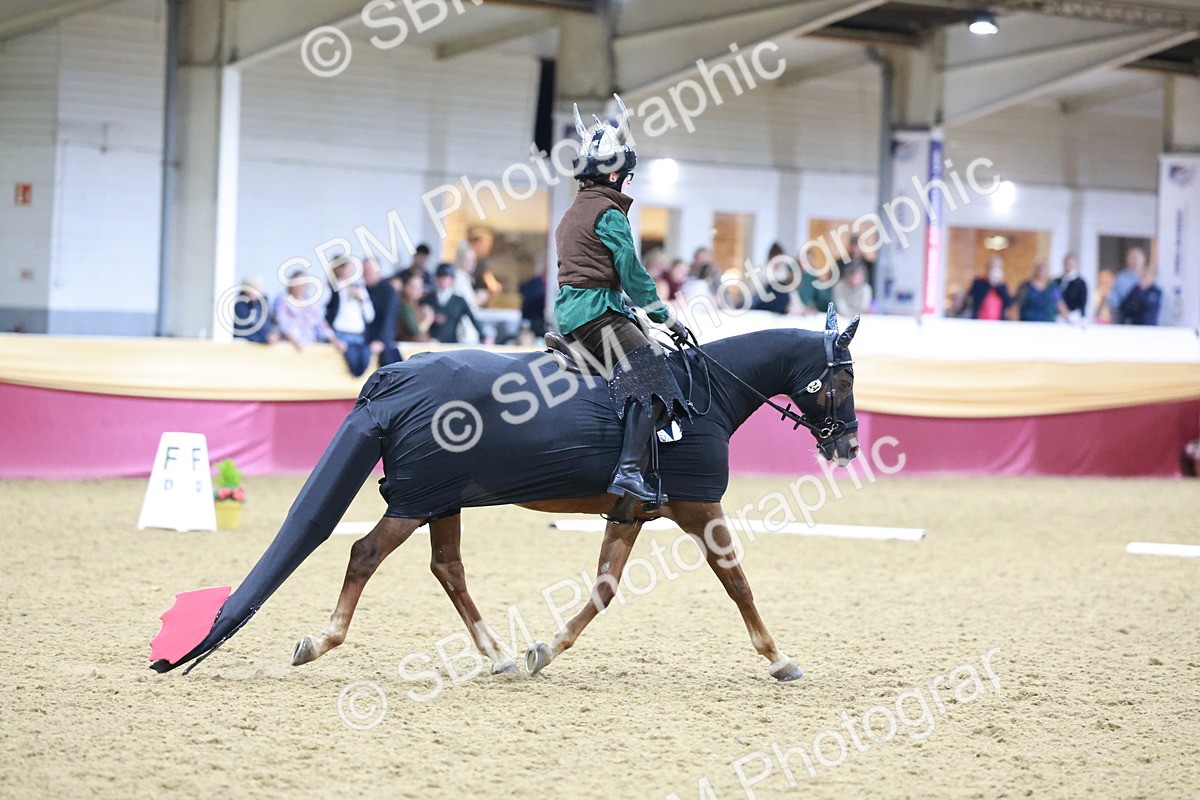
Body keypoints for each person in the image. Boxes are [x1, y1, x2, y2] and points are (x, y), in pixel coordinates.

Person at [554, 95, 690, 523]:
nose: (628, 183)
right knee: (652, 374)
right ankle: (629, 470)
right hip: (596, 313)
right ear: (613, 174)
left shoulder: (574, 210)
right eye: (627, 177)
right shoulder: (610, 214)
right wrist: (666, 317)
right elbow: (631, 275)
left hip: (576, 311)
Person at [325, 257, 376, 377]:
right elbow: (322, 314)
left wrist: (362, 299)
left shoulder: (360, 289)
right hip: (341, 334)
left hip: (359, 335)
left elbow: (370, 316)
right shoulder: (332, 289)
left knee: (364, 363)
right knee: (352, 365)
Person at [274, 271, 343, 353]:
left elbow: (320, 324)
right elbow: (283, 323)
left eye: (303, 284)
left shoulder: (310, 305)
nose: (301, 287)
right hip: (288, 348)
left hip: (309, 349)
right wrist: (295, 341)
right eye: (298, 283)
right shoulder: (283, 300)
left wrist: (334, 341)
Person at [425, 263, 484, 343]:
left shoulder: (459, 301)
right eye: (441, 278)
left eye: (446, 278)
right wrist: (431, 318)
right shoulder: (428, 299)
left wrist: (484, 336)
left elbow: (472, 318)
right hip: (430, 341)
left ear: (451, 280)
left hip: (451, 342)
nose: (443, 281)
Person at [363, 257, 402, 367]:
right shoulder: (361, 289)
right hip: (365, 340)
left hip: (381, 341)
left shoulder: (388, 290)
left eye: (369, 270)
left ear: (378, 271)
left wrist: (381, 341)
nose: (366, 273)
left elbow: (388, 318)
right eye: (364, 270)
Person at [965, 256, 1012, 320]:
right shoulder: (979, 282)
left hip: (998, 321)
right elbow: (974, 299)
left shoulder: (1002, 285)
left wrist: (998, 285)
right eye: (993, 268)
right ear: (987, 269)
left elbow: (1008, 303)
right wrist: (989, 283)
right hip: (980, 320)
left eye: (998, 268)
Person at [396, 269, 434, 342]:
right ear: (405, 287)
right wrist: (429, 318)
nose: (417, 290)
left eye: (420, 287)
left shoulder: (417, 304)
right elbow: (414, 330)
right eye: (413, 287)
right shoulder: (404, 305)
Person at [1109, 247, 1146, 321]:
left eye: (1138, 258)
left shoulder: (1148, 277)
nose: (1135, 261)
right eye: (1133, 258)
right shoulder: (1120, 278)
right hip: (1126, 317)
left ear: (1143, 260)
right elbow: (1114, 300)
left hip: (1144, 318)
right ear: (1128, 260)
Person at [1053, 252, 1088, 321]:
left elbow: (1082, 302)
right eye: (1067, 264)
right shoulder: (1057, 281)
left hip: (1074, 316)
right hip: (1058, 315)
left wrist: (1083, 317)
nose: (1068, 266)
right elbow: (1055, 296)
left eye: (1071, 264)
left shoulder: (1080, 283)